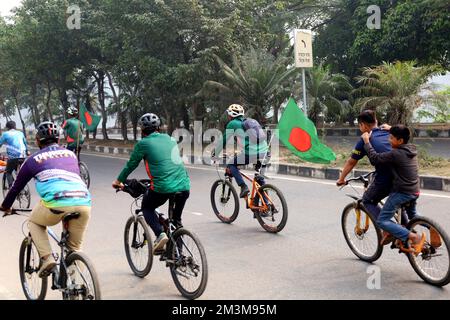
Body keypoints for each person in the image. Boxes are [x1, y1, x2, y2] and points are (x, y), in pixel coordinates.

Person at [0, 122, 91, 277]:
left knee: (34, 222)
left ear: (37, 140)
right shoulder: (71, 155)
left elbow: (16, 187)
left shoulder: (33, 160)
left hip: (56, 203)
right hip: (83, 202)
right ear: (58, 139)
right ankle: (77, 286)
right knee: (74, 249)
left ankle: (47, 257)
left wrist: (5, 206)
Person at [112, 113, 190, 253]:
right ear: (158, 128)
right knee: (176, 221)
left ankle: (160, 234)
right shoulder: (170, 139)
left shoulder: (143, 144)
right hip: (184, 186)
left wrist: (118, 181)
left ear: (142, 130)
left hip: (163, 187)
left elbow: (131, 165)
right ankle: (180, 257)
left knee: (147, 207)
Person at [361, 125, 426, 254]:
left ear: (400, 141)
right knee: (413, 216)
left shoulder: (395, 153)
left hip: (402, 192)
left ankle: (414, 237)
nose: (388, 140)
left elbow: (375, 159)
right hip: (415, 190)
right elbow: (405, 135)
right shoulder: (411, 148)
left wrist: (367, 141)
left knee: (382, 220)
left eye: (391, 138)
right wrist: (391, 128)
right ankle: (434, 230)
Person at [336, 110, 393, 220]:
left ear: (362, 125)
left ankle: (388, 229)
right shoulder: (389, 131)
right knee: (405, 208)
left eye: (359, 125)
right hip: (406, 175)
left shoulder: (365, 139)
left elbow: (351, 162)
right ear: (376, 121)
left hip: (386, 179)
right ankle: (417, 228)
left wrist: (341, 179)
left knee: (367, 200)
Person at [213, 104, 269, 198]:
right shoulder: (250, 122)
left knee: (231, 164)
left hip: (251, 153)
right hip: (265, 152)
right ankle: (267, 205)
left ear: (231, 115)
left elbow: (224, 140)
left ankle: (243, 187)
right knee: (259, 178)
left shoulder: (232, 123)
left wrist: (215, 154)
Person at [0, 121, 29, 189]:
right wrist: (27, 151)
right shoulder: (20, 133)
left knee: (8, 172)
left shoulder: (5, 134)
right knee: (18, 171)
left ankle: (11, 188)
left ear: (7, 127)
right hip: (23, 156)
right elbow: (25, 143)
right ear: (15, 126)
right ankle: (22, 186)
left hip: (13, 157)